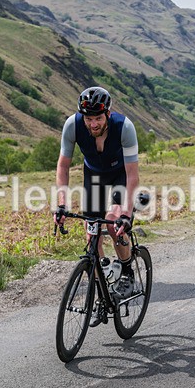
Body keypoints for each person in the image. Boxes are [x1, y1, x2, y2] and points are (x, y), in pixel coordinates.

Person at [54, 87, 140, 319]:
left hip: (120, 175)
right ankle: (100, 274)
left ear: (108, 114)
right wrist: (62, 204)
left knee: (112, 223)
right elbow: (63, 166)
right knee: (91, 228)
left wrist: (126, 213)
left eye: (98, 119)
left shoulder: (125, 127)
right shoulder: (72, 125)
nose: (93, 124)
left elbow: (133, 176)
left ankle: (127, 269)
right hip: (94, 175)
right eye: (88, 119)